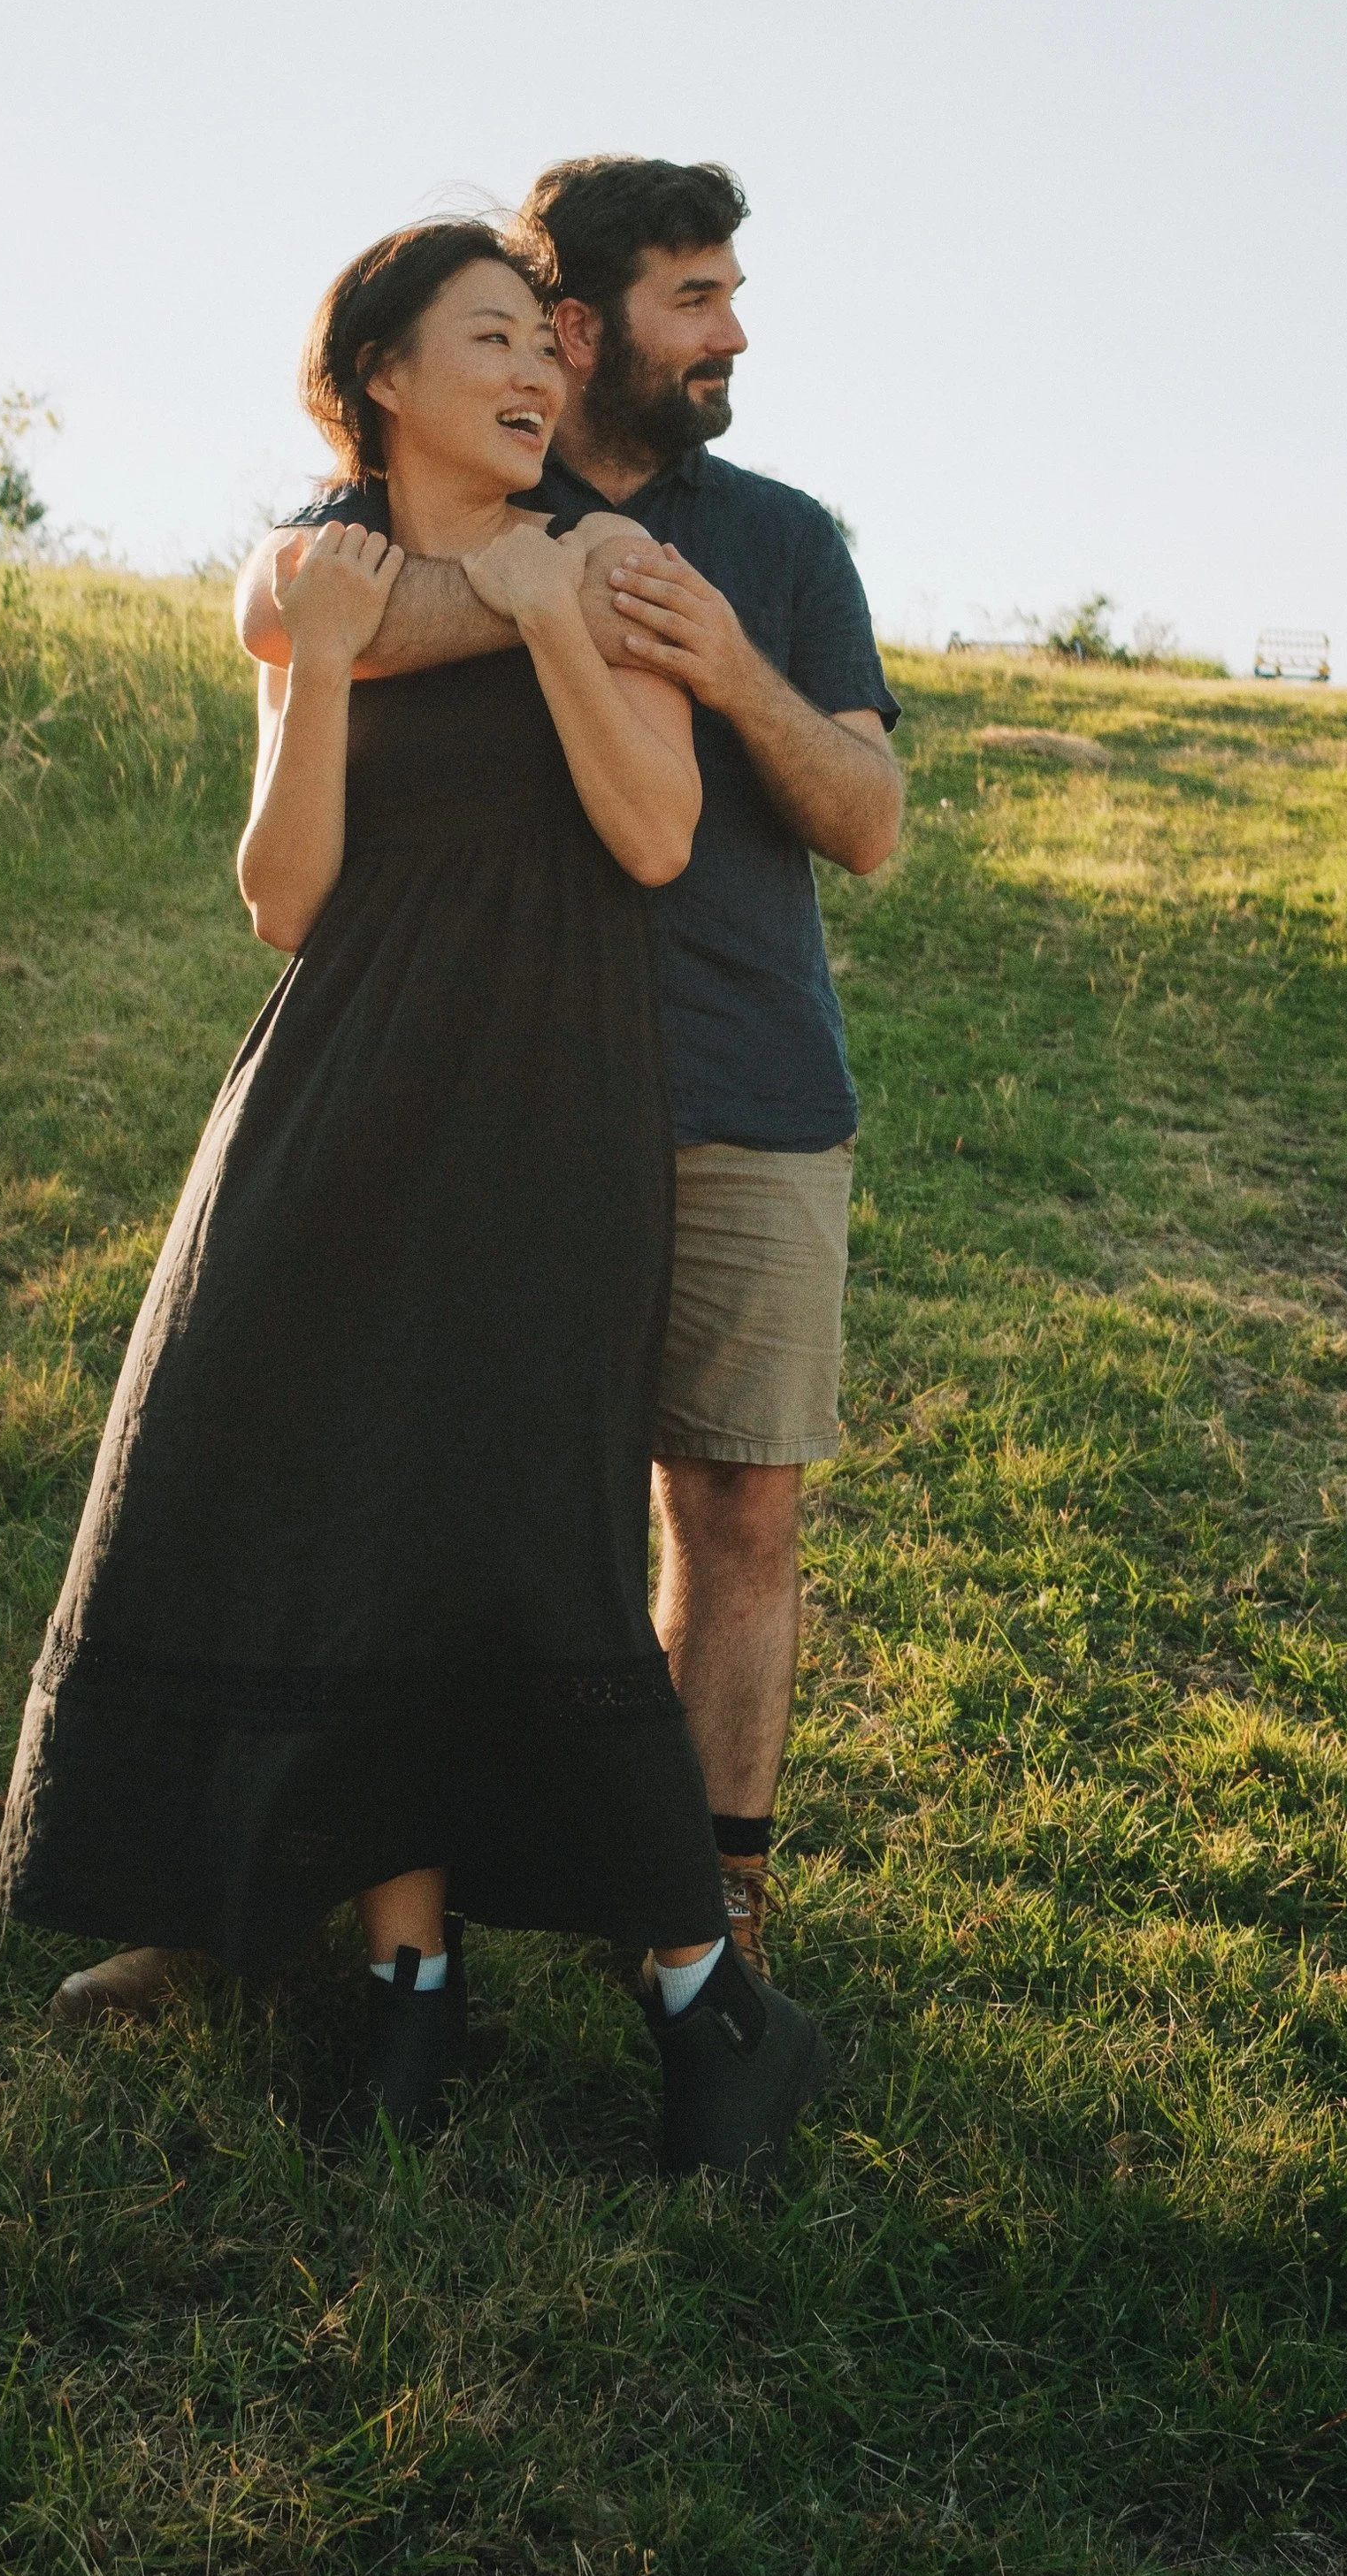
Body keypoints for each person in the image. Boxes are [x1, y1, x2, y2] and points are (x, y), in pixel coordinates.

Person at [0, 216, 831, 2175]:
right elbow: (284, 895)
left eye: (544, 342)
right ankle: (408, 1978)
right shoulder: (318, 577)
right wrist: (328, 657)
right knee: (346, 1511)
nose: (539, 372)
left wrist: (545, 612)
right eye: (491, 342)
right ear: (379, 375)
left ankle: (713, 2001)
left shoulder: (609, 557)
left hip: (554, 1100)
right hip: (341, 1088)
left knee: (521, 1534)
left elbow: (657, 832)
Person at [235, 160, 904, 1978]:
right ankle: (295, 1894)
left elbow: (869, 821)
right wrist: (545, 587)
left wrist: (732, 669)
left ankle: (704, 1916)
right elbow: (288, 618)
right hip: (480, 1085)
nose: (734, 330)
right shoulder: (403, 514)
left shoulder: (779, 541)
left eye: (732, 291)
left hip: (738, 1087)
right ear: (584, 324)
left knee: (737, 1505)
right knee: (428, 1504)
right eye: (696, 296)